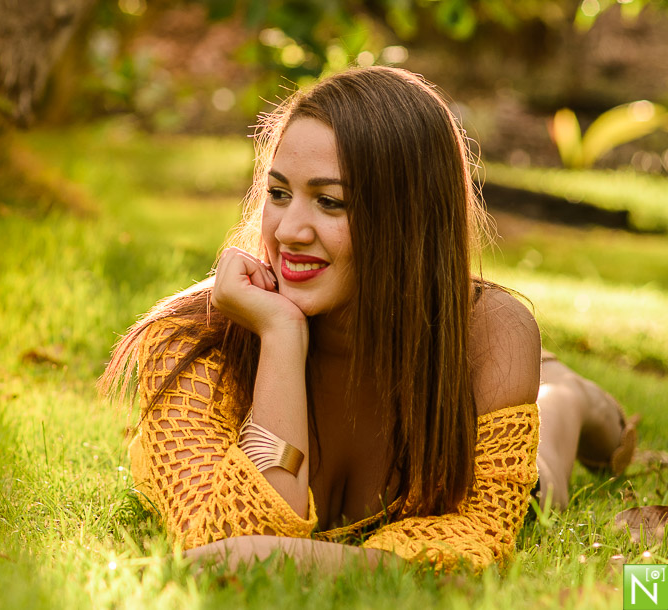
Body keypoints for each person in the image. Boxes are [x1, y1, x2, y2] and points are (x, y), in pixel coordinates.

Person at [100, 66, 638, 573]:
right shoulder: (195, 336)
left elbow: (475, 541)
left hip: (481, 410)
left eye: (330, 202)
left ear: (409, 218)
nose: (288, 230)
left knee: (545, 480)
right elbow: (234, 536)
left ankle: (568, 396)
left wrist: (290, 557)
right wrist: (282, 336)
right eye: (279, 193)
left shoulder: (489, 332)